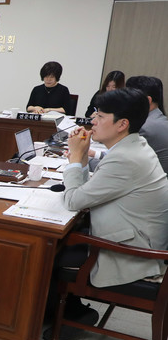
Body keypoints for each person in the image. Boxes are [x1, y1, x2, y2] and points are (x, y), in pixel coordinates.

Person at [62, 87, 168, 288]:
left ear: (122, 124)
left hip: (131, 255)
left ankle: (63, 305)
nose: (93, 121)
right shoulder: (135, 144)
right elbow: (88, 191)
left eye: (100, 116)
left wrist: (74, 158)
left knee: (47, 252)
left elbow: (72, 201)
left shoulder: (125, 158)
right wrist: (82, 155)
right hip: (134, 239)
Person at [125, 75, 168, 175]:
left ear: (147, 100)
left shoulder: (144, 127)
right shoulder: (160, 119)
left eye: (128, 98)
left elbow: (120, 163)